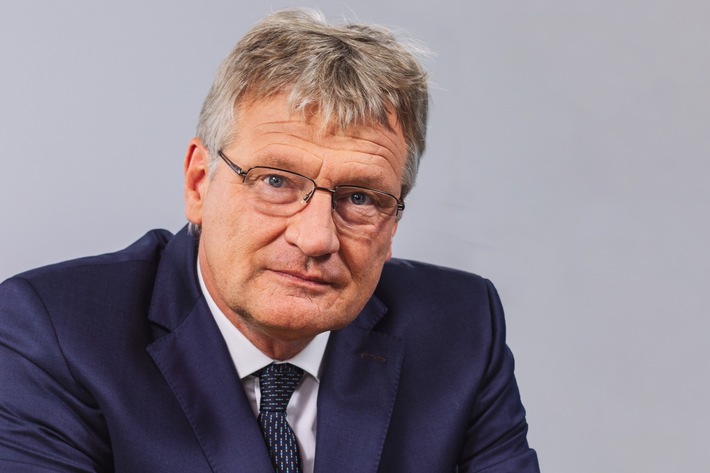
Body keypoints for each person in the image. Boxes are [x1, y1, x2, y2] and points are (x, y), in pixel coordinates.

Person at [0, 9, 540, 473]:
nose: (315, 238)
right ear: (198, 184)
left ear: (393, 222)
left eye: (360, 198)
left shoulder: (462, 330)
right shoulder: (54, 333)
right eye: (276, 181)